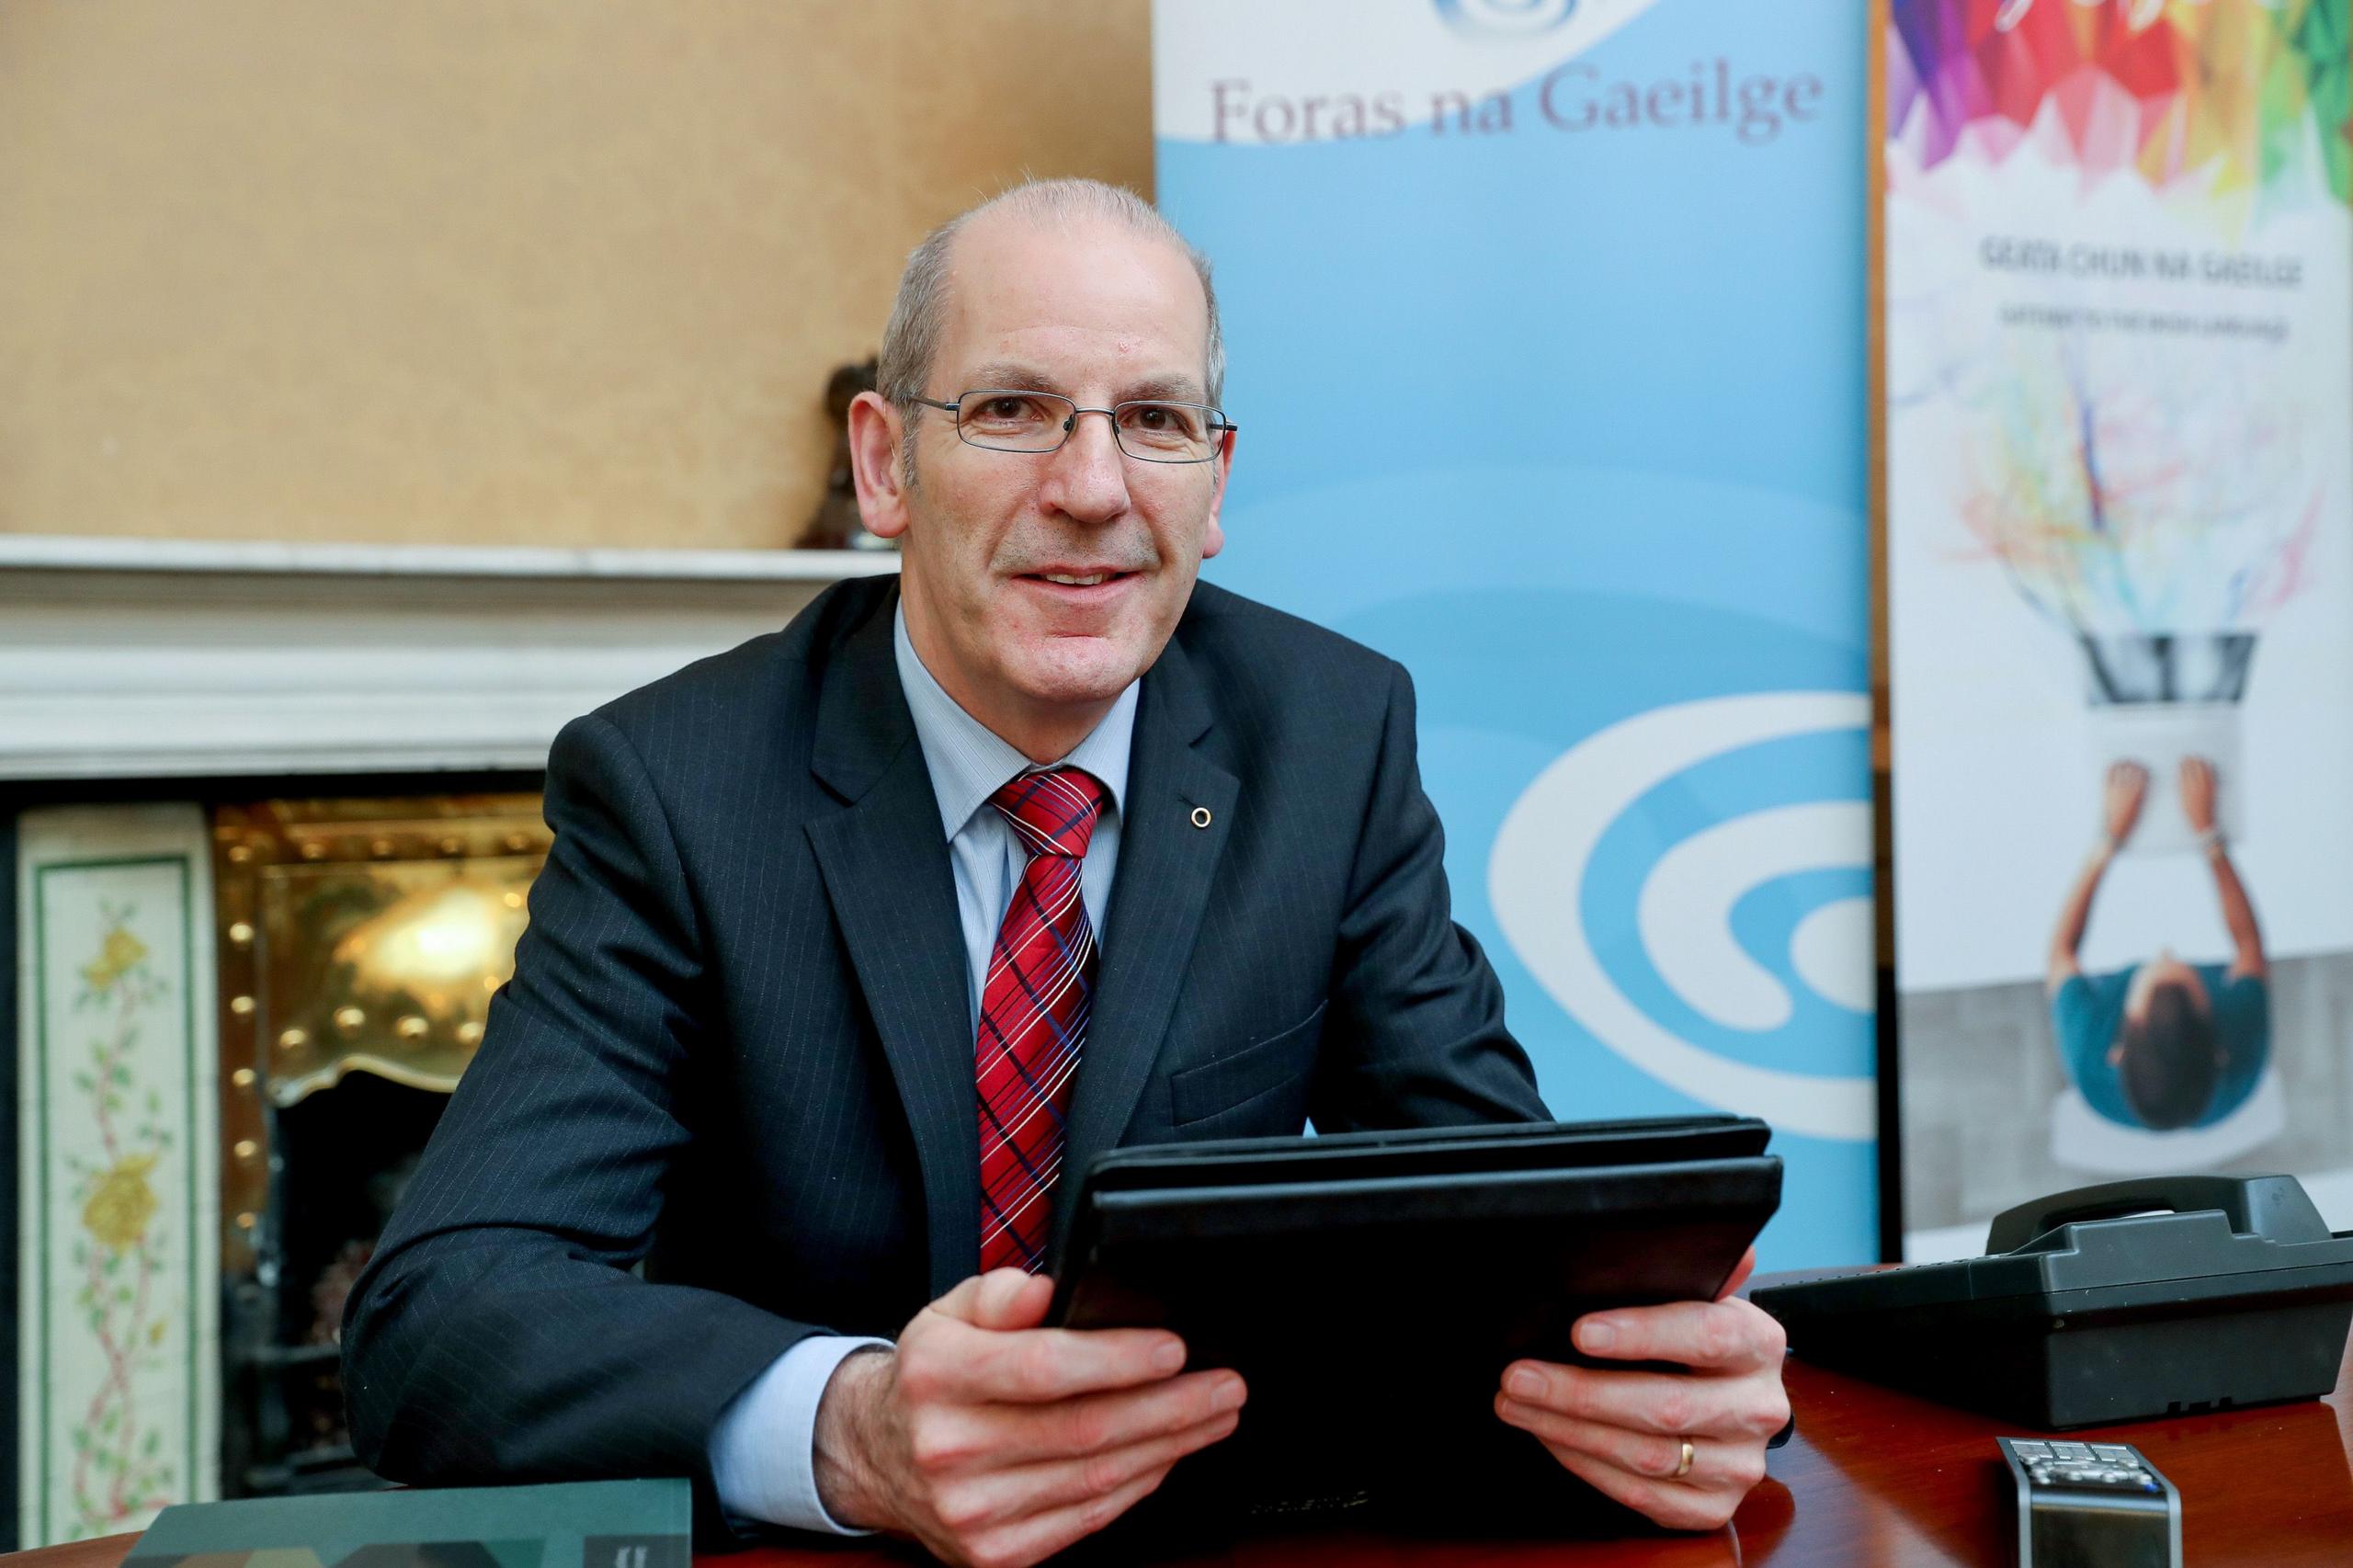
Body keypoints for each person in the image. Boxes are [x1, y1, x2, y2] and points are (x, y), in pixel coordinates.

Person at [341, 179, 1790, 1568]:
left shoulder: (1329, 738)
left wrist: (1643, 1388)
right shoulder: (679, 787)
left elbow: (1496, 1227)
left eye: (1153, 419)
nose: (1092, 488)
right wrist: (848, 1430)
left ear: (1213, 484)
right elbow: (439, 1317)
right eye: (1013, 408)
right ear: (885, 463)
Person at [2046, 756, 2270, 1131]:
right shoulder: (2243, 1061)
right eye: (2185, 977)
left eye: (2153, 976)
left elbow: (2061, 953)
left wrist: (2108, 838)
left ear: (2115, 1054)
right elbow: (2249, 947)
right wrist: (2209, 836)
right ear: (2220, 1049)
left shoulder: (2089, 1059)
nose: (2166, 952)